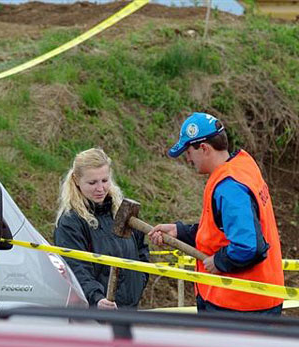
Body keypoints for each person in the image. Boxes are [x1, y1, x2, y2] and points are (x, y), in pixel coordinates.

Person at [148, 112, 284, 315]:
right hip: (253, 298)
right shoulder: (242, 167)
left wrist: (220, 262)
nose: (188, 159)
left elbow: (248, 246)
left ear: (204, 148)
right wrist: (180, 232)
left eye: (188, 151)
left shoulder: (229, 187)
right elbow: (220, 231)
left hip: (239, 304)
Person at [54, 147, 148, 310]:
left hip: (130, 309)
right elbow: (75, 267)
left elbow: (141, 250)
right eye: (92, 183)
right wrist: (96, 298)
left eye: (105, 180)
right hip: (94, 312)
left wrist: (140, 280)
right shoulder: (70, 222)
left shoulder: (123, 211)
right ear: (76, 180)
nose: (100, 188)